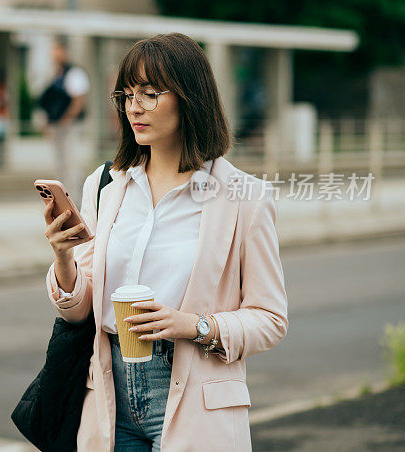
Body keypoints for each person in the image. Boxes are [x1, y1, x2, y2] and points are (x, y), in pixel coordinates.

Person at [41, 33, 288, 451]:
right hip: (108, 392)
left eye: (151, 93)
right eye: (127, 93)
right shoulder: (104, 186)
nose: (134, 106)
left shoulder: (244, 197)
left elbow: (271, 318)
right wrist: (63, 258)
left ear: (190, 98)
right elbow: (81, 308)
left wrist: (194, 325)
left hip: (194, 393)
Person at [39, 38, 90, 199]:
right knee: (60, 165)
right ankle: (62, 199)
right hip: (56, 126)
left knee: (71, 165)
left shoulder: (74, 72)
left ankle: (75, 200)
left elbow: (79, 101)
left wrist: (65, 121)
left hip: (69, 126)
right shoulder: (54, 73)